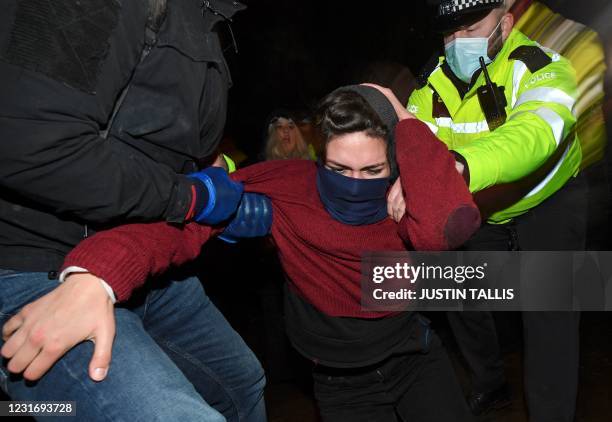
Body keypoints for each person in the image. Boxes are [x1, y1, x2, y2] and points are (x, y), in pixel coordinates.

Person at [54, 84, 481, 421]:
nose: (354, 183)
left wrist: (402, 117)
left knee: (532, 284)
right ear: (320, 155)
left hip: (417, 358)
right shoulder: (285, 185)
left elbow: (447, 230)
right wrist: (97, 274)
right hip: (341, 384)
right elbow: (181, 221)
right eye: (339, 169)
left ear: (394, 162)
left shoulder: (407, 195)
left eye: (371, 171)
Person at [0, 1, 266, 421]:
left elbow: (163, 142)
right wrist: (192, 198)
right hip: (34, 262)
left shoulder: (207, 21)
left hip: (143, 259)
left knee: (240, 382)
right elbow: (31, 145)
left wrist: (210, 179)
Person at [395, 0, 586, 420]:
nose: (459, 41)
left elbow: (536, 131)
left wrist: (458, 165)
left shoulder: (544, 66)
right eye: (450, 31)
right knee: (458, 292)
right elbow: (412, 137)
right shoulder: (430, 85)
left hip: (548, 203)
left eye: (472, 25)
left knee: (549, 313)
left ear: (506, 22)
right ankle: (490, 382)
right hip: (482, 206)